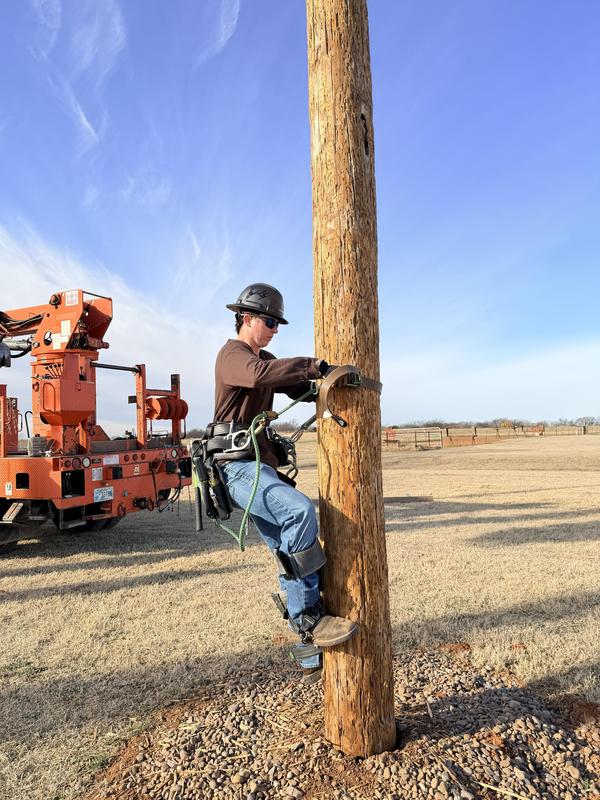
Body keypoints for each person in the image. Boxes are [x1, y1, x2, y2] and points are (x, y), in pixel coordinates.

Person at [211, 283, 358, 683]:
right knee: (298, 512)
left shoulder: (266, 359)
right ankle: (309, 616)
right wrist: (314, 364)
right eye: (269, 321)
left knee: (283, 548)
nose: (274, 329)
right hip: (237, 468)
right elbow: (262, 376)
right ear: (246, 318)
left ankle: (310, 655)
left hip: (259, 467)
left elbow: (299, 386)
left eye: (277, 324)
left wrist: (328, 383)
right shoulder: (233, 357)